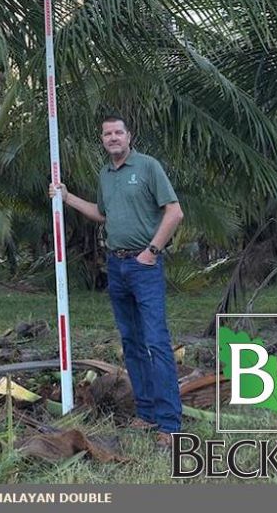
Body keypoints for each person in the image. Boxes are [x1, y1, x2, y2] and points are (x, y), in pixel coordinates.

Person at [49, 113, 184, 449]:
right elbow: (103, 213)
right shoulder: (106, 175)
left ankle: (169, 424)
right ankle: (147, 412)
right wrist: (67, 198)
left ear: (129, 135)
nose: (112, 138)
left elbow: (174, 212)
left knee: (156, 341)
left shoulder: (148, 167)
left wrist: (152, 251)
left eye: (118, 132)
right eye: (107, 134)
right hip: (118, 265)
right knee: (132, 342)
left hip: (144, 265)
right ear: (103, 140)